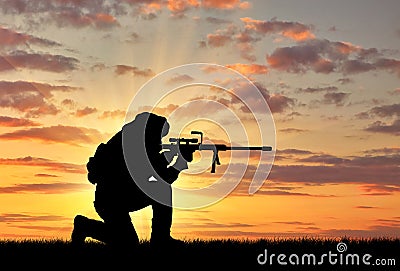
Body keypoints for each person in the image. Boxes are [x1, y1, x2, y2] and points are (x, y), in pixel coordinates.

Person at [71, 112, 193, 250]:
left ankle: (161, 238)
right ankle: (85, 226)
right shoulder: (134, 146)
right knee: (128, 242)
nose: (159, 141)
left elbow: (154, 173)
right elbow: (160, 178)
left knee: (128, 241)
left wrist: (172, 157)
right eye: (158, 135)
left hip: (118, 198)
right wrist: (180, 164)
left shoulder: (130, 139)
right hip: (112, 201)